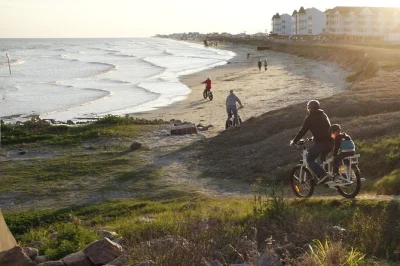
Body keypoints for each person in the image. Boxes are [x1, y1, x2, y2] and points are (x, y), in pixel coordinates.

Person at [290, 100, 334, 182]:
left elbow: (303, 131)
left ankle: (324, 175)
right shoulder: (324, 115)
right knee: (323, 158)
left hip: (322, 143)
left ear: (309, 108)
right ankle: (330, 177)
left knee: (309, 159)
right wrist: (313, 137)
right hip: (331, 142)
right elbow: (324, 129)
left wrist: (294, 141)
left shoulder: (310, 118)